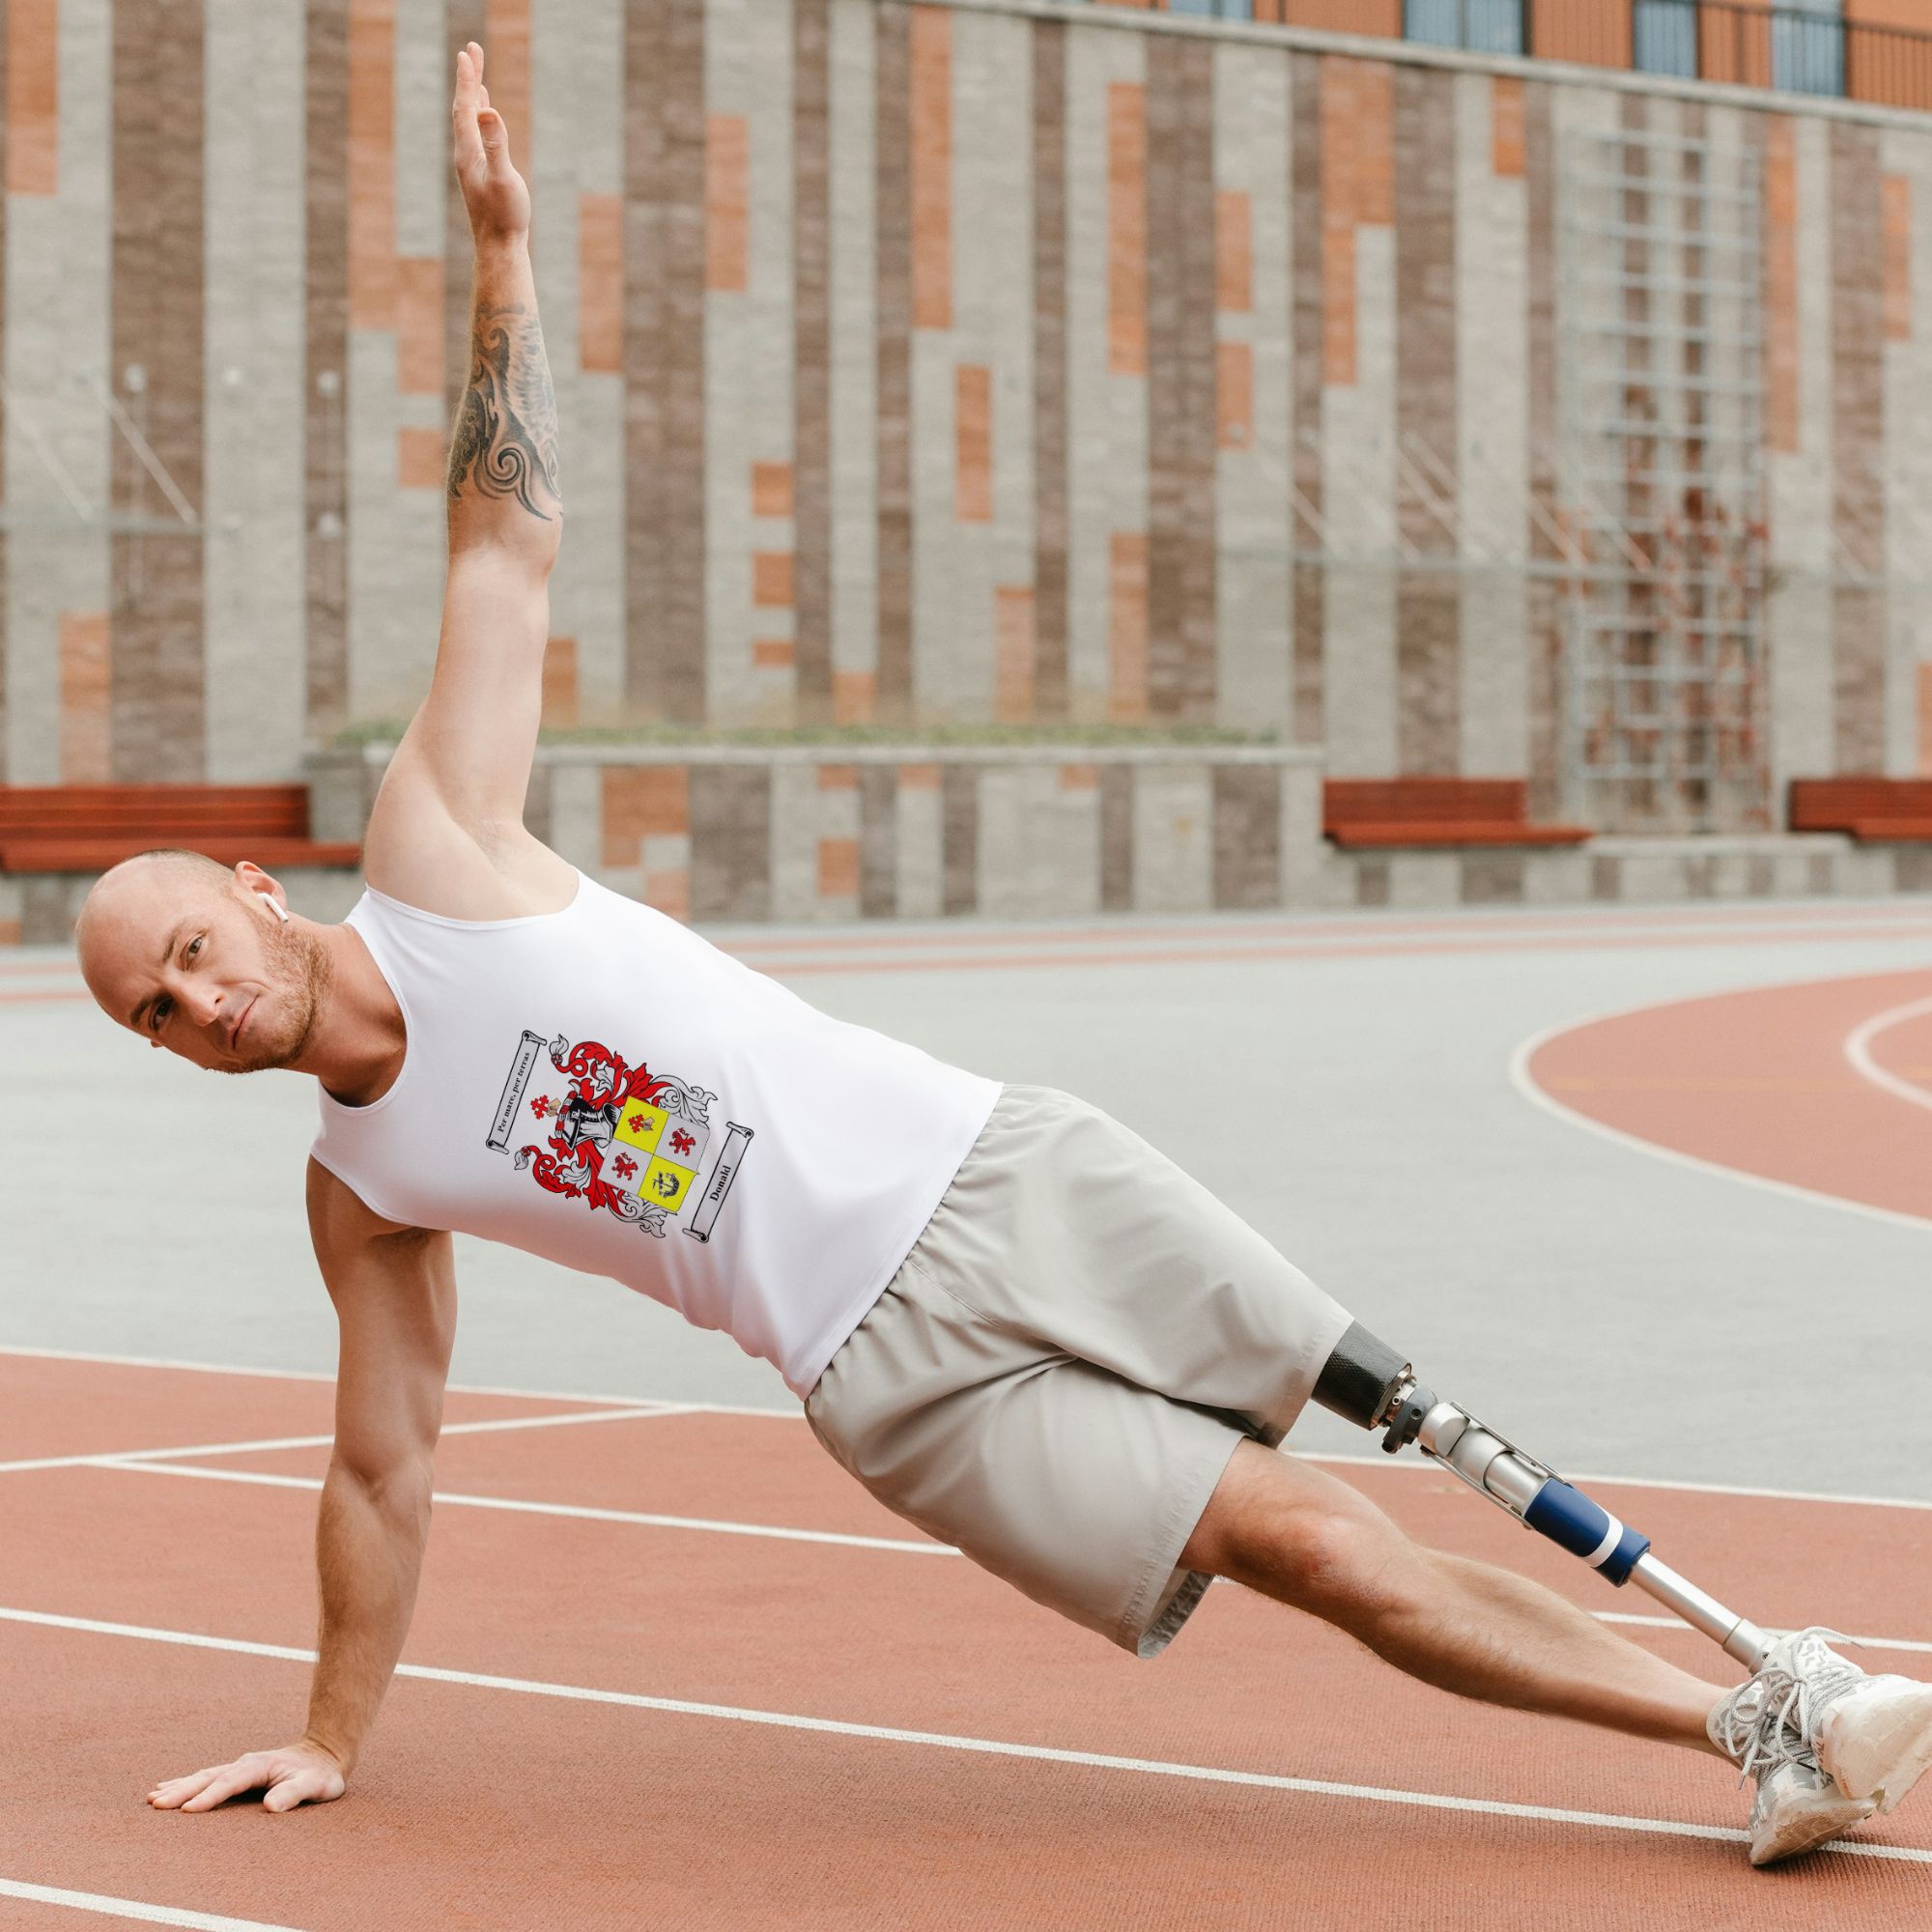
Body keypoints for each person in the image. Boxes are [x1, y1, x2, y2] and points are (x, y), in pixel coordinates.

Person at [72, 45, 1932, 1868]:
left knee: (1403, 1408)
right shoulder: (365, 1188)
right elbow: (380, 1470)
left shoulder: (437, 850)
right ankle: (1760, 1727)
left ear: (251, 886)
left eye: (185, 950)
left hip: (1005, 1169)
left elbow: (505, 551)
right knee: (1304, 1543)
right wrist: (327, 1732)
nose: (197, 1004)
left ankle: (1771, 1661)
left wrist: (503, 259)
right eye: (157, 1015)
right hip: (892, 1378)